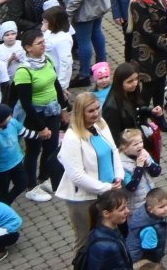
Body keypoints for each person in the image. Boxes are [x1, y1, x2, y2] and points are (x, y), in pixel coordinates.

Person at [55, 95, 121, 249]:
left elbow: (114, 150)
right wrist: (106, 187)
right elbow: (76, 176)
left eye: (98, 108)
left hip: (107, 192)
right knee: (85, 242)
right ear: (80, 113)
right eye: (91, 111)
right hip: (84, 200)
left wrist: (119, 175)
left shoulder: (101, 123)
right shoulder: (72, 137)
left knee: (110, 233)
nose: (96, 113)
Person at [80, 190, 136, 270]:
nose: (127, 211)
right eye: (122, 209)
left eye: (127, 206)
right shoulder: (109, 247)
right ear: (106, 214)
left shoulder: (103, 229)